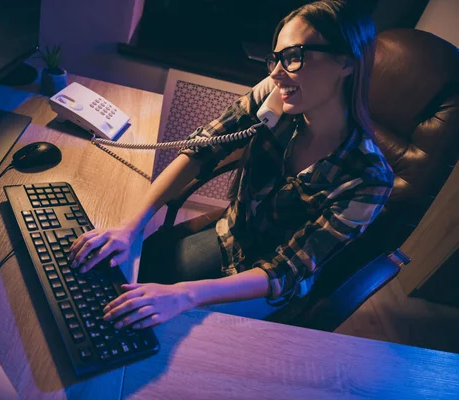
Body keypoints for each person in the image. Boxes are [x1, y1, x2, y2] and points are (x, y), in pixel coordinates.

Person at [70, 0, 394, 330]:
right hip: (230, 237)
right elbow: (200, 151)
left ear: (347, 62)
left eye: (294, 57)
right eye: (276, 58)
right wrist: (131, 225)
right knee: (127, 273)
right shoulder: (275, 97)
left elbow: (284, 270)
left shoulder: (369, 180)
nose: (275, 73)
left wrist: (184, 295)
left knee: (161, 331)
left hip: (265, 286)